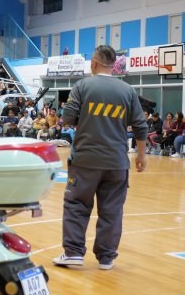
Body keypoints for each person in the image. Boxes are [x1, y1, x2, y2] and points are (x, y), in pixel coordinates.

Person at [53, 45, 147, 270]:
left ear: (94, 63)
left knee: (76, 204)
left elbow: (67, 116)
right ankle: (106, 258)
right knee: (112, 209)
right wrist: (141, 156)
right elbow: (141, 126)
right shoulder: (128, 91)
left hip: (85, 160)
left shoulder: (82, 86)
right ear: (113, 65)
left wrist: (85, 122)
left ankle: (74, 253)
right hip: (117, 163)